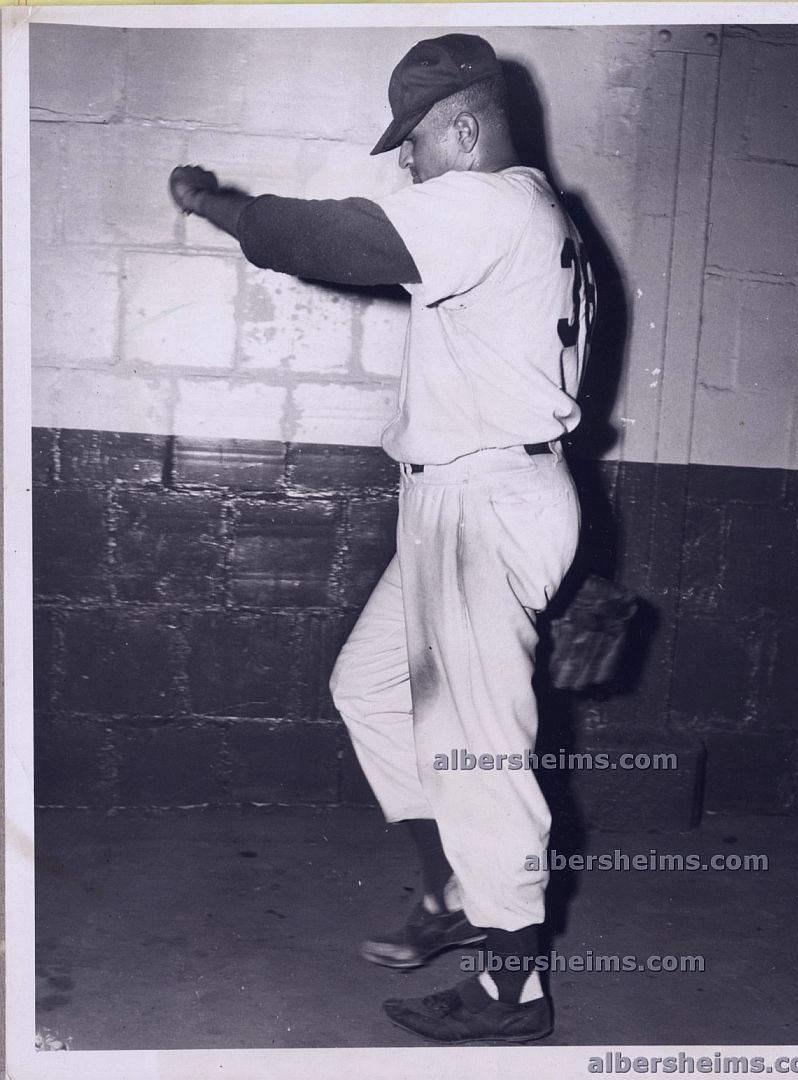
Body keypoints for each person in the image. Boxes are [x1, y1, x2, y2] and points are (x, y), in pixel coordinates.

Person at [168, 32, 595, 1045]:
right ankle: (452, 889)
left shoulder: (491, 203)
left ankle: (511, 993)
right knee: (367, 687)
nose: (405, 159)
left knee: (481, 754)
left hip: (485, 499)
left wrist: (213, 202)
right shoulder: (529, 214)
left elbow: (333, 242)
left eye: (415, 139)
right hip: (466, 496)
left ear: (465, 128)